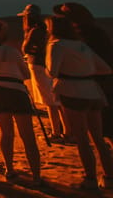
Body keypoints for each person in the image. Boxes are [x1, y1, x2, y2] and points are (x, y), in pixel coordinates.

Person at [46, 14, 113, 190]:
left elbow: (52, 71)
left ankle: (90, 179)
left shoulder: (56, 45)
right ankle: (109, 176)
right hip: (92, 91)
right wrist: (85, 73)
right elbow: (105, 68)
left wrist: (72, 74)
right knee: (98, 138)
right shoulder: (81, 45)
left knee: (82, 138)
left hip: (72, 92)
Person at [0, 17, 42, 186]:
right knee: (28, 136)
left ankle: (9, 170)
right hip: (16, 93)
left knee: (6, 133)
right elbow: (25, 74)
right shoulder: (11, 51)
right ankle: (36, 176)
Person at [55, 2, 113, 144]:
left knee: (102, 129)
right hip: (93, 86)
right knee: (99, 132)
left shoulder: (88, 37)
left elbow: (103, 63)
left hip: (96, 86)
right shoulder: (84, 36)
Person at [18, 3, 67, 143]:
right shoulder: (46, 29)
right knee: (55, 100)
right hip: (48, 65)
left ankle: (56, 133)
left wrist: (31, 51)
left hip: (38, 66)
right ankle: (67, 131)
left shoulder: (34, 30)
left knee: (50, 101)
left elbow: (25, 48)